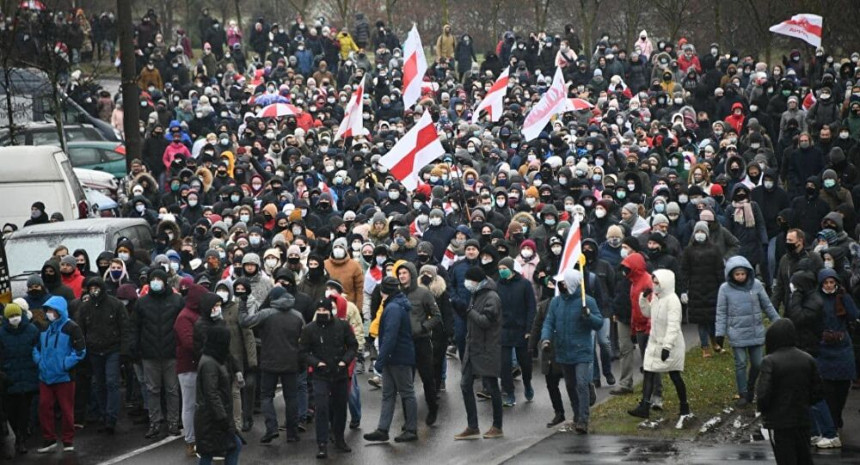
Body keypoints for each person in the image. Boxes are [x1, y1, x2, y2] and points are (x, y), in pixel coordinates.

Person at [627, 270, 694, 429]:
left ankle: (684, 406)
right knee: (649, 371)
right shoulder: (657, 298)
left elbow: (673, 326)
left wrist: (667, 346)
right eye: (653, 282)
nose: (654, 286)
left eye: (657, 283)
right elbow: (647, 313)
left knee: (674, 374)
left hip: (670, 344)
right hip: (655, 342)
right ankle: (644, 405)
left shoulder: (672, 300)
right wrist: (643, 298)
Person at [540, 269, 603, 434]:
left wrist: (588, 316)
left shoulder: (587, 301)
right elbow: (549, 322)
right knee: (570, 385)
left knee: (581, 383)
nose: (560, 285)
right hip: (563, 350)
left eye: (563, 282)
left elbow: (599, 323)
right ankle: (576, 414)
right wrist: (545, 339)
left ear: (572, 283)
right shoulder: (556, 302)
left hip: (581, 350)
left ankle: (583, 419)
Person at [240, 286, 304, 444]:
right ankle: (292, 432)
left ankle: (271, 428)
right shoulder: (297, 316)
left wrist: (242, 304)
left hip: (269, 361)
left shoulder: (266, 314)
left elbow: (244, 322)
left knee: (266, 396)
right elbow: (304, 338)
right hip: (291, 362)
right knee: (292, 397)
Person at [716, 256, 781, 406]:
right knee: (741, 363)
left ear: (748, 273)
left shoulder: (757, 285)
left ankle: (751, 385)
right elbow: (721, 312)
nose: (740, 277)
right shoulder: (724, 289)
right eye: (736, 274)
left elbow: (767, 306)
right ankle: (743, 392)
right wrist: (719, 333)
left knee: (758, 363)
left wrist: (778, 323)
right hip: (737, 331)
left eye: (742, 274)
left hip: (755, 331)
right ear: (731, 274)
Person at [756, 319, 822, 465]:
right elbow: (817, 390)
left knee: (785, 458)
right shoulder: (807, 359)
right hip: (802, 418)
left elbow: (763, 394)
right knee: (804, 457)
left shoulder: (770, 361)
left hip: (779, 421)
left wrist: (765, 410)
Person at [299, 297, 358, 458]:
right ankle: (322, 443)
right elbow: (303, 351)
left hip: (339, 374)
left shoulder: (342, 325)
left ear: (331, 311)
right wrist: (316, 363)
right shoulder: (309, 329)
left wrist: (344, 362)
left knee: (340, 408)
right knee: (322, 408)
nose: (322, 313)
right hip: (320, 375)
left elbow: (353, 346)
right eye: (319, 311)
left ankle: (339, 438)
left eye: (325, 310)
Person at [363, 276, 418, 443]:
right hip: (394, 357)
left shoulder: (393, 307)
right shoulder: (395, 304)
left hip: (398, 357)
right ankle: (383, 429)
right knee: (388, 394)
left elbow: (390, 337)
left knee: (406, 393)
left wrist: (380, 361)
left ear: (383, 292)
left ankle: (411, 429)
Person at [132, 269, 184, 439]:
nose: (155, 282)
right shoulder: (142, 303)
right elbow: (135, 327)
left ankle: (173, 422)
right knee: (152, 389)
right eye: (152, 279)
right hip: (149, 354)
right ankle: (154, 422)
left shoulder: (177, 301)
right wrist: (136, 349)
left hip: (171, 353)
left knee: (172, 389)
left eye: (158, 279)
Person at [453, 266, 503, 440]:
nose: (467, 284)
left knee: (492, 386)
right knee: (465, 385)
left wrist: (468, 311)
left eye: (470, 280)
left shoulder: (492, 297)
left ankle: (497, 426)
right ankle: (472, 426)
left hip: (487, 348)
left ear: (478, 281)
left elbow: (485, 321)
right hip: (472, 347)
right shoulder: (476, 294)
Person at [76, 277, 130, 435]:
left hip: (112, 349)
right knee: (98, 384)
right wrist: (83, 349)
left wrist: (124, 351)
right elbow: (81, 330)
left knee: (112, 382)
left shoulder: (115, 305)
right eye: (90, 288)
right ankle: (103, 414)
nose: (94, 291)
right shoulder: (85, 308)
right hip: (94, 351)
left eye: (96, 288)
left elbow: (125, 328)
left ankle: (111, 417)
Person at [34, 296, 86, 453]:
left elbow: (80, 351)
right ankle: (49, 438)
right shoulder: (44, 328)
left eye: (52, 310)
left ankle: (68, 439)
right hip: (46, 376)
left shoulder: (72, 327)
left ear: (59, 311)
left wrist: (64, 364)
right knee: (44, 407)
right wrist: (39, 362)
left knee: (66, 409)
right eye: (47, 310)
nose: (49, 313)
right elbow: (36, 348)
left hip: (64, 377)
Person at [393, 260, 441, 425]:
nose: (402, 276)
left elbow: (436, 316)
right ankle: (408, 419)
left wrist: (423, 327)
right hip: (404, 343)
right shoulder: (397, 294)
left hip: (421, 342)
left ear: (412, 275)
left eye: (405, 273)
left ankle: (433, 408)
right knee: (406, 383)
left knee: (427, 378)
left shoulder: (423, 293)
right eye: (399, 274)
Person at [194, 325, 243, 465]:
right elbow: (212, 393)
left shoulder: (213, 358)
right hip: (212, 419)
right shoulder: (211, 363)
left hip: (210, 418)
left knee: (209, 453)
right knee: (233, 446)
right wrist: (223, 418)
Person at [0, 303, 40, 455]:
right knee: (11, 412)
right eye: (10, 316)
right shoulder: (1, 333)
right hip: (9, 378)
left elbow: (37, 350)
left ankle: (21, 439)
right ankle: (18, 433)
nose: (14, 319)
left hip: (28, 377)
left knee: (24, 410)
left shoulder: (32, 330)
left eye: (16, 315)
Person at [496, 257, 536, 407]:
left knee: (525, 363)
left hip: (521, 330)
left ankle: (527, 383)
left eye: (504, 269)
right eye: (499, 269)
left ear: (512, 269)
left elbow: (531, 307)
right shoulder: (497, 285)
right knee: (504, 365)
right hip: (503, 330)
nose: (501, 272)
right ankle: (510, 393)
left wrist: (529, 329)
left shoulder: (524, 284)